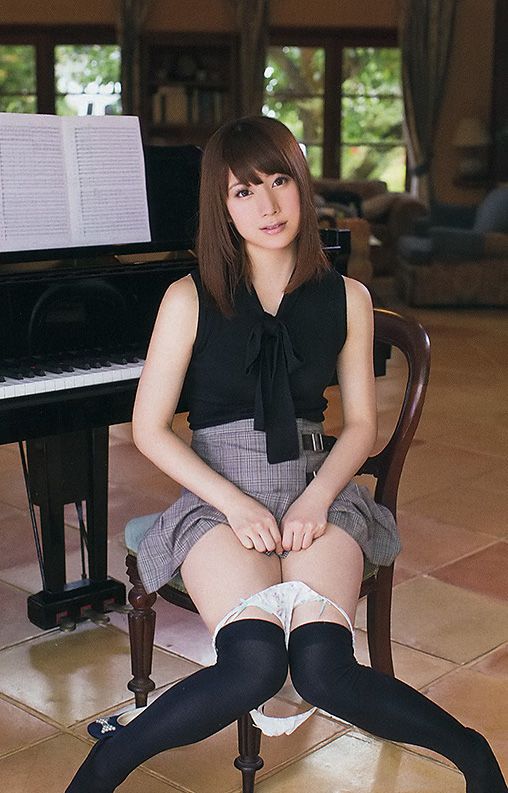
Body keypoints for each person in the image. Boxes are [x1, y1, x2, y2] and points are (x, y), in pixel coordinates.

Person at [66, 116, 507, 793]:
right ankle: (102, 768)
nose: (268, 205)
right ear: (222, 205)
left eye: (279, 181)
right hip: (219, 498)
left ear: (301, 184)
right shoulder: (187, 297)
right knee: (254, 665)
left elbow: (360, 426)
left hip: (315, 486)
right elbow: (149, 428)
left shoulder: (349, 298)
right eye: (244, 191)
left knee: (325, 670)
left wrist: (317, 497)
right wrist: (235, 503)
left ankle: (476, 757)